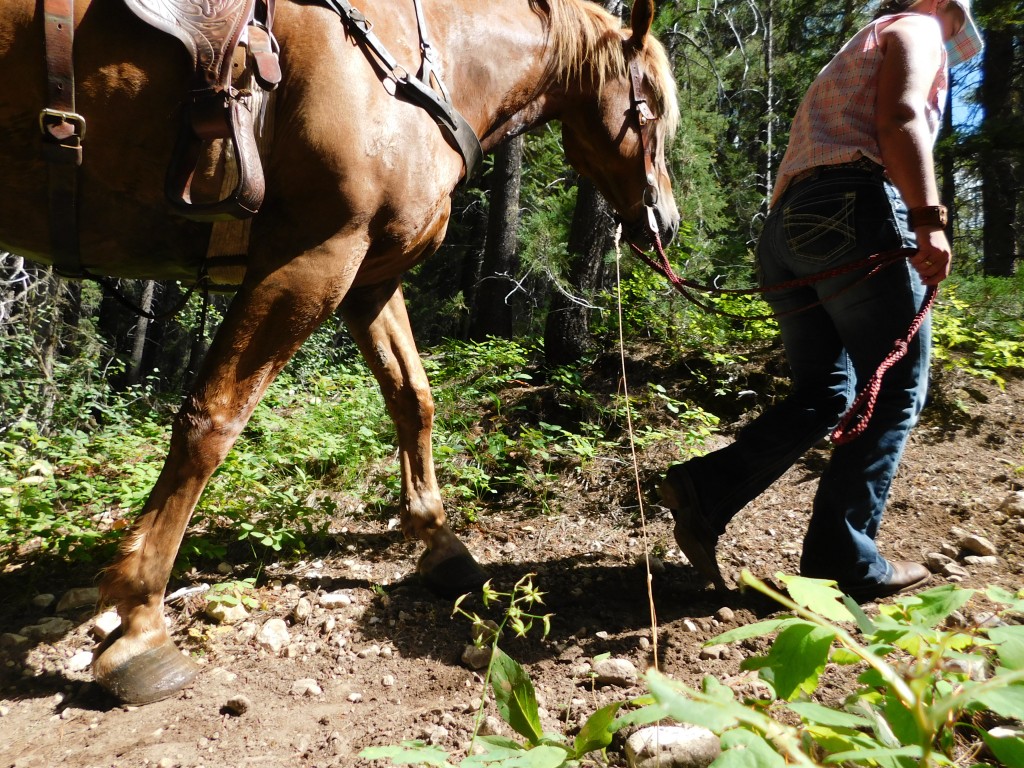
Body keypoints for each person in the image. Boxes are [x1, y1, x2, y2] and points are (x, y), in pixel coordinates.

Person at [659, 0, 984, 601]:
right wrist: (929, 220)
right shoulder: (915, 27)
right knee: (894, 392)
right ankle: (843, 561)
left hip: (789, 228)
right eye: (956, 19)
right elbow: (903, 116)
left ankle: (708, 487)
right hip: (857, 211)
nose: (953, 33)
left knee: (828, 391)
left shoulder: (854, 48)